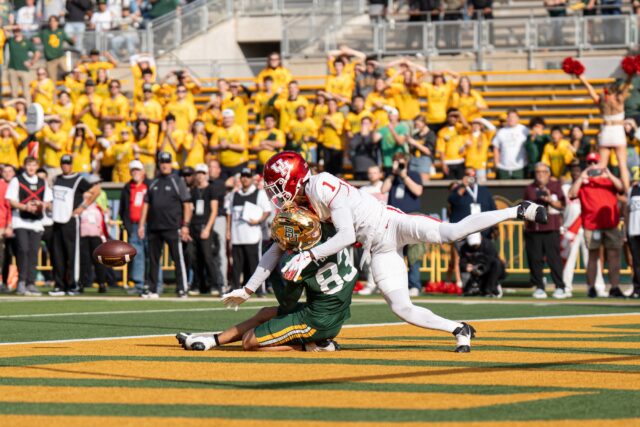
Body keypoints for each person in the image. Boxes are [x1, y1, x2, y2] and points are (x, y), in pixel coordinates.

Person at [222, 151, 548, 353]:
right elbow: (276, 249)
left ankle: (516, 211)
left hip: (392, 224)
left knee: (450, 232)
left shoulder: (321, 184)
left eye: (276, 186)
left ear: (291, 178)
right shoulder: (300, 206)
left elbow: (347, 234)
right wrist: (248, 288)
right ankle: (458, 328)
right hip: (379, 248)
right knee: (401, 308)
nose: (275, 194)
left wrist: (309, 255)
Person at [181, 208, 353, 352]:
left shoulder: (301, 263)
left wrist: (278, 276)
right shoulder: (332, 232)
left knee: (249, 342)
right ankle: (211, 340)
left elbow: (288, 303)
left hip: (318, 320)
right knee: (265, 313)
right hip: (334, 309)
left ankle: (313, 346)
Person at [568, 152, 626, 298]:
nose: (593, 165)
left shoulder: (608, 180)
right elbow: (571, 194)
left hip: (611, 223)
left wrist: (608, 173)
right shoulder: (584, 181)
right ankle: (591, 287)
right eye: (590, 163)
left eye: (595, 162)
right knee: (593, 256)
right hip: (591, 224)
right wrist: (582, 176)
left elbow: (621, 188)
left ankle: (614, 287)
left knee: (614, 255)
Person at [138, 151, 192, 299]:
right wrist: (142, 225)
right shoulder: (153, 182)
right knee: (153, 259)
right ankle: (153, 288)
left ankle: (182, 288)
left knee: (177, 259)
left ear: (171, 163)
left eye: (167, 162)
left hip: (173, 226)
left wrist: (185, 225)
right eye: (162, 162)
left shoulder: (177, 181)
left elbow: (186, 204)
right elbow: (146, 205)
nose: (164, 165)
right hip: (154, 227)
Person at [49, 155, 100, 296]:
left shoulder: (79, 179)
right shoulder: (56, 179)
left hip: (70, 221)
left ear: (72, 165)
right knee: (58, 255)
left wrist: (82, 207)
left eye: (68, 163)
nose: (65, 166)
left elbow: (96, 190)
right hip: (57, 220)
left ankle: (73, 284)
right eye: (63, 163)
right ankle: (59, 285)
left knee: (72, 255)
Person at [5, 157, 52, 296]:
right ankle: (21, 282)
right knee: (23, 250)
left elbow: (48, 201)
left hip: (37, 222)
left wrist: (41, 206)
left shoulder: (42, 182)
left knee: (33, 252)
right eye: (29, 165)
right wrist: (25, 206)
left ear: (37, 166)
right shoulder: (17, 180)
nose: (31, 168)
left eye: (34, 165)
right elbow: (11, 201)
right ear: (25, 166)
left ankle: (31, 283)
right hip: (20, 220)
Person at [578, 72, 633, 189]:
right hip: (618, 131)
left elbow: (590, 89)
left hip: (606, 131)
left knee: (601, 165)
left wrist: (582, 79)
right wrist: (630, 74)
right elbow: (627, 85)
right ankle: (627, 192)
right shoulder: (619, 98)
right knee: (622, 165)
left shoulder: (602, 99)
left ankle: (596, 187)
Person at [381, 152, 424, 297]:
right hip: (394, 218)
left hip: (411, 217)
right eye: (396, 162)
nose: (398, 164)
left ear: (406, 162)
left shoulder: (413, 174)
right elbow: (383, 189)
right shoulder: (392, 176)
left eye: (401, 162)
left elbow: (418, 191)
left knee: (413, 253)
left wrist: (404, 175)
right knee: (395, 252)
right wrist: (393, 174)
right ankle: (397, 285)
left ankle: (415, 285)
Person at [523, 163, 568, 299]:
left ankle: (560, 286)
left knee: (554, 259)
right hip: (533, 229)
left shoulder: (555, 186)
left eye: (543, 172)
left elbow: (562, 205)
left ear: (548, 174)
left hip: (551, 228)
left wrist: (549, 199)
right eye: (537, 172)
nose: (540, 174)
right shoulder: (529, 188)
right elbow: (524, 208)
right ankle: (539, 287)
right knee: (535, 259)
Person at [226, 168, 272, 292]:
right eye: (243, 176)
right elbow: (229, 213)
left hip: (253, 236)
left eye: (247, 176)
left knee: (255, 265)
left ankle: (259, 289)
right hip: (237, 237)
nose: (245, 178)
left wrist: (258, 221)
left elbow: (267, 211)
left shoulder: (259, 193)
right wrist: (228, 231)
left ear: (252, 178)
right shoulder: (234, 195)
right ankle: (235, 288)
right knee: (236, 265)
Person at [188, 164, 221, 296]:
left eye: (202, 173)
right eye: (198, 173)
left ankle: (215, 284)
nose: (200, 175)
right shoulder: (193, 191)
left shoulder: (211, 189)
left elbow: (214, 211)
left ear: (206, 174)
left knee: (208, 257)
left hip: (205, 226)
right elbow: (190, 210)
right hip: (194, 227)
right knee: (194, 257)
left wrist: (207, 228)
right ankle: (198, 285)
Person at [118, 160, 150, 295]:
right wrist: (128, 227)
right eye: (133, 170)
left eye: (137, 169)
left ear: (143, 171)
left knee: (152, 256)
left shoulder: (149, 185)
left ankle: (155, 284)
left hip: (150, 225)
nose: (135, 172)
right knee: (137, 256)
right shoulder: (127, 187)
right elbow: (123, 209)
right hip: (134, 226)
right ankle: (139, 284)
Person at [78, 179, 110, 293]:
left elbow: (103, 222)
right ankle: (81, 283)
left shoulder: (98, 207)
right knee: (83, 261)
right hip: (82, 236)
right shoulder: (80, 206)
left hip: (96, 236)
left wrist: (104, 236)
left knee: (98, 261)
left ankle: (102, 283)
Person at [459, 232, 504, 297]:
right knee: (467, 288)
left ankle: (491, 286)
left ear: (480, 238)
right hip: (473, 273)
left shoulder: (488, 245)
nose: (474, 247)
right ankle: (472, 287)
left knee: (497, 263)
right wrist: (466, 266)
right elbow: (462, 263)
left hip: (488, 271)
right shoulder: (464, 248)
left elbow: (493, 260)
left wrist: (481, 268)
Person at [209, 109, 249, 179]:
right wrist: (220, 146)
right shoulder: (219, 130)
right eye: (225, 118)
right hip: (223, 165)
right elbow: (212, 146)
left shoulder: (239, 130)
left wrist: (228, 145)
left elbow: (243, 147)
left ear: (233, 118)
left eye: (229, 118)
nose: (227, 120)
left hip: (238, 164)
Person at [208, 159, 228, 292]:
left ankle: (223, 282)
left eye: (213, 167)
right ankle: (213, 282)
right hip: (206, 219)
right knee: (209, 253)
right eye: (209, 166)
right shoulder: (206, 183)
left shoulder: (220, 184)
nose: (211, 169)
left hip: (219, 218)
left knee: (221, 253)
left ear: (219, 170)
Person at [493, 109, 529, 179]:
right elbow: (496, 147)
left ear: (518, 118)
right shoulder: (501, 131)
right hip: (504, 167)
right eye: (509, 117)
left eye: (513, 116)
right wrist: (496, 163)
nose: (511, 119)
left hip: (520, 167)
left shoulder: (524, 130)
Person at [374, 108, 409, 175]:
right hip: (387, 160)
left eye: (393, 116)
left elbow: (400, 142)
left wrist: (392, 130)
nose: (391, 118)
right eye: (389, 116)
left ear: (397, 116)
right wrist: (375, 128)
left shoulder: (402, 127)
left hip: (398, 160)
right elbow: (375, 139)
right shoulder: (384, 128)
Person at [436, 108, 469, 180]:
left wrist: (460, 114)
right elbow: (441, 149)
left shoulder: (460, 127)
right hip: (448, 162)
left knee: (462, 184)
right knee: (450, 185)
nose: (454, 118)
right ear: (447, 117)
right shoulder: (442, 132)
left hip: (460, 161)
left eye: (455, 116)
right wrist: (443, 164)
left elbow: (466, 126)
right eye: (452, 116)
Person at [7, 28, 39, 99]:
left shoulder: (27, 42)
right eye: (15, 30)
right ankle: (14, 109)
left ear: (21, 31)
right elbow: (3, 29)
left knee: (26, 92)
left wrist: (31, 63)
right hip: (13, 69)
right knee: (14, 93)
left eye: (18, 30)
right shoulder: (11, 40)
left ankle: (28, 108)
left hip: (24, 70)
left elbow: (37, 53)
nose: (16, 32)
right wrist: (13, 26)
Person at [40, 16, 74, 81]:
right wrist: (35, 39)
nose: (52, 23)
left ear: (57, 22)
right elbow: (36, 37)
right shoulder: (45, 32)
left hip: (60, 57)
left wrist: (72, 40)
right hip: (50, 59)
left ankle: (69, 89)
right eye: (51, 21)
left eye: (54, 21)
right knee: (52, 79)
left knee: (68, 74)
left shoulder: (61, 32)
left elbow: (69, 41)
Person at [349, 116, 379, 180]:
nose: (364, 125)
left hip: (370, 169)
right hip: (358, 168)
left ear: (370, 124)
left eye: (367, 123)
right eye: (363, 123)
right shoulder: (357, 135)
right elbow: (352, 145)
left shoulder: (372, 135)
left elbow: (373, 144)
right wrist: (362, 136)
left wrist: (373, 130)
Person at [408, 115, 436, 184]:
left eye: (418, 124)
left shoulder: (430, 134)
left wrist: (415, 143)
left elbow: (428, 151)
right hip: (414, 159)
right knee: (413, 182)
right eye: (415, 124)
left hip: (424, 160)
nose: (416, 126)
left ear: (424, 123)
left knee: (423, 183)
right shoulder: (416, 135)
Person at [626, 177, 640, 299]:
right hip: (634, 230)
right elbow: (627, 210)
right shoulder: (633, 189)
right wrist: (627, 228)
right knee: (636, 262)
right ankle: (637, 289)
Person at [0, 165, 11, 293]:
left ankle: (4, 282)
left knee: (6, 255)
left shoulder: (8, 186)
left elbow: (9, 208)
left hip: (5, 226)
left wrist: (8, 225)